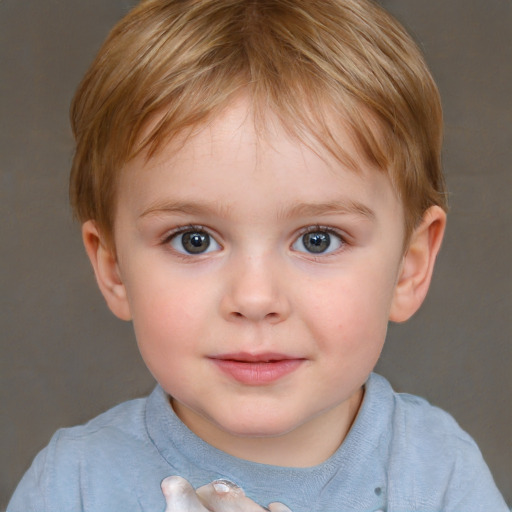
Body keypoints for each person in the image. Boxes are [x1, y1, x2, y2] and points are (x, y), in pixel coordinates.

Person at [8, 0, 508, 511]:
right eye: (193, 240)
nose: (254, 298)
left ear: (409, 266)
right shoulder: (71, 487)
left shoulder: (439, 473)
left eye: (318, 239)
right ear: (114, 267)